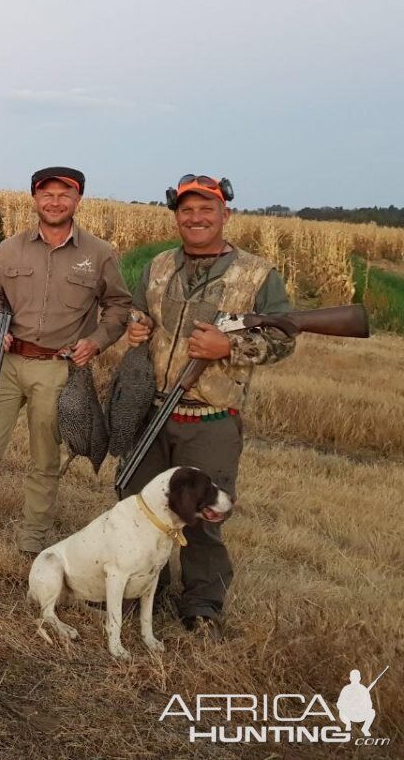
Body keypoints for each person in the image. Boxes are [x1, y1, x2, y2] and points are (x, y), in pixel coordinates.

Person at [0, 168, 131, 574]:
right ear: (34, 198)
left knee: (44, 460)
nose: (55, 202)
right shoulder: (11, 248)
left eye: (65, 194)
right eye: (47, 194)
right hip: (6, 365)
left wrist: (96, 340)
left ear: (77, 200)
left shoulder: (98, 253)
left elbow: (118, 306)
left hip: (58, 369)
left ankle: (31, 544)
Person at [122, 174, 295, 631]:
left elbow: (283, 339)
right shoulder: (159, 265)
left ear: (225, 215)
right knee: (141, 507)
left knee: (203, 515)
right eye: (187, 210)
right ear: (177, 216)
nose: (195, 217)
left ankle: (202, 605)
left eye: (206, 209)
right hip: (153, 412)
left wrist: (230, 348)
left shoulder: (257, 273)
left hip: (210, 417)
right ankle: (142, 590)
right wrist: (136, 327)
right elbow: (141, 313)